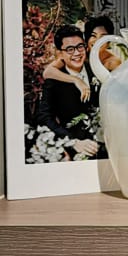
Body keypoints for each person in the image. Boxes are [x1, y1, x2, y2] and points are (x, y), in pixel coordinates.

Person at [36, 24, 101, 158]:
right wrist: (72, 142)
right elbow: (44, 117)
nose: (77, 53)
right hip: (75, 151)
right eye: (70, 49)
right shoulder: (53, 81)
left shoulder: (96, 71)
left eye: (80, 47)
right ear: (60, 53)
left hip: (104, 147)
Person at [85, 13, 122, 80]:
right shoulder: (80, 56)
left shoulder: (112, 62)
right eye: (93, 36)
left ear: (108, 41)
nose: (97, 41)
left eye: (102, 37)